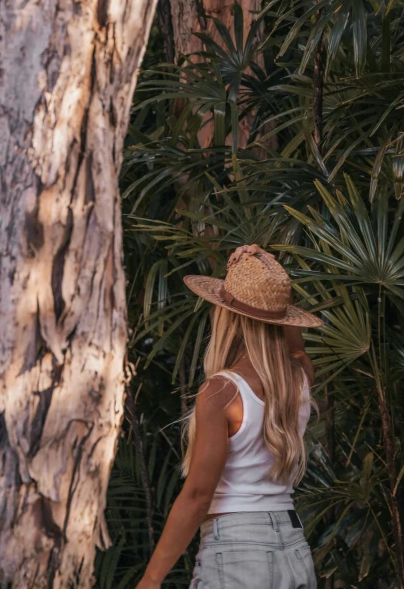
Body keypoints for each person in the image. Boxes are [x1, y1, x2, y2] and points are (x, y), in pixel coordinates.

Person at [135, 244, 323, 589]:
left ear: (228, 316)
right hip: (294, 547)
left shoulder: (222, 392)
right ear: (281, 322)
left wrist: (150, 579)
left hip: (238, 551)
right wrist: (270, 280)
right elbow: (296, 348)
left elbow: (197, 497)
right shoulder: (299, 379)